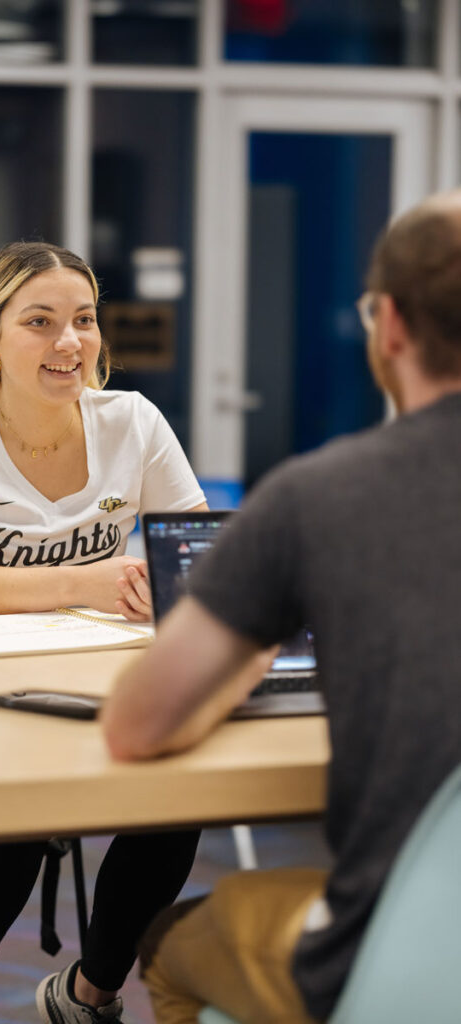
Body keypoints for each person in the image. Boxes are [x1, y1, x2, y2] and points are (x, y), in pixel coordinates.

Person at [101, 189, 461, 1024]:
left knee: (173, 942)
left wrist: (251, 663)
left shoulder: (319, 496)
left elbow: (135, 725)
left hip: (404, 954)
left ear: (391, 326)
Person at [0, 241, 207, 1024]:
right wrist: (89, 581)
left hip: (89, 684)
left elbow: (198, 560)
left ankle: (88, 994)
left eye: (84, 320)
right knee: (18, 806)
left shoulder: (133, 422)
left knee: (178, 789)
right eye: (40, 322)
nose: (70, 343)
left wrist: (170, 586)